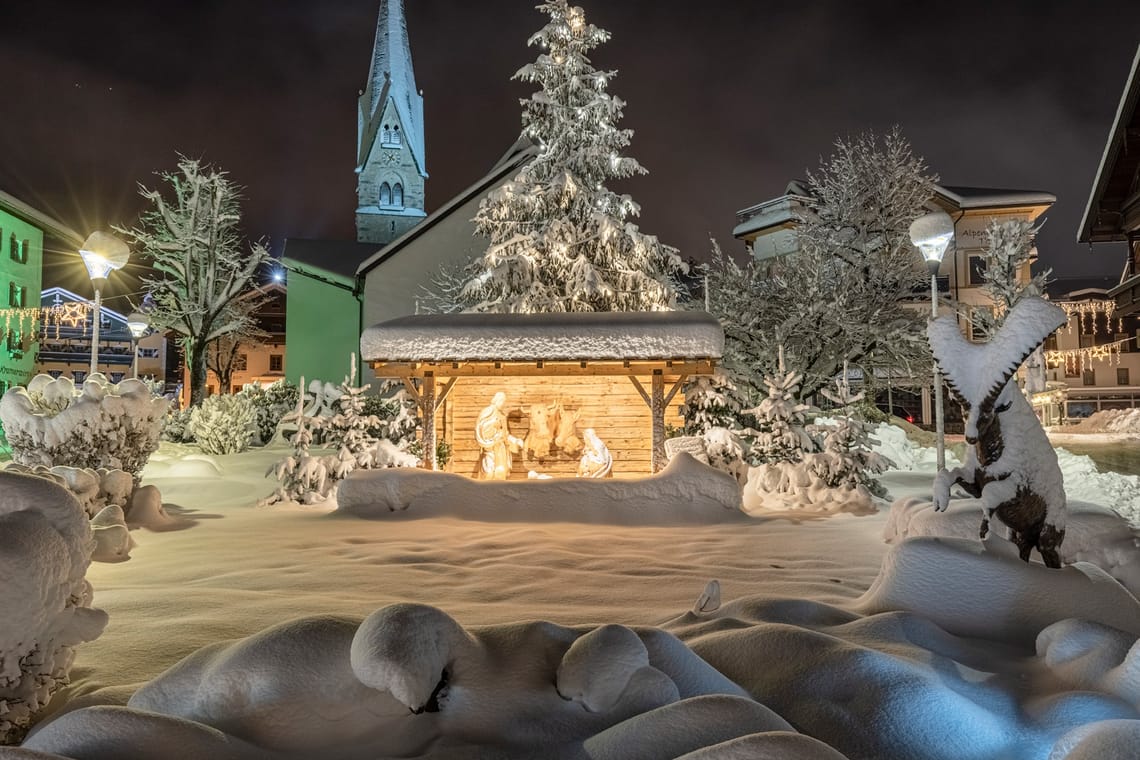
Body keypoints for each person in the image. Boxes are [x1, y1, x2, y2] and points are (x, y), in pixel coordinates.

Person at [475, 391, 523, 480]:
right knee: (488, 472)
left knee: (500, 474)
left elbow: (505, 435)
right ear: (496, 400)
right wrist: (493, 425)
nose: (502, 404)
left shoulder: (502, 415)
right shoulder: (487, 412)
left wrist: (516, 441)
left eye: (504, 402)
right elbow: (481, 427)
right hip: (490, 449)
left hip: (501, 450)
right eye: (501, 401)